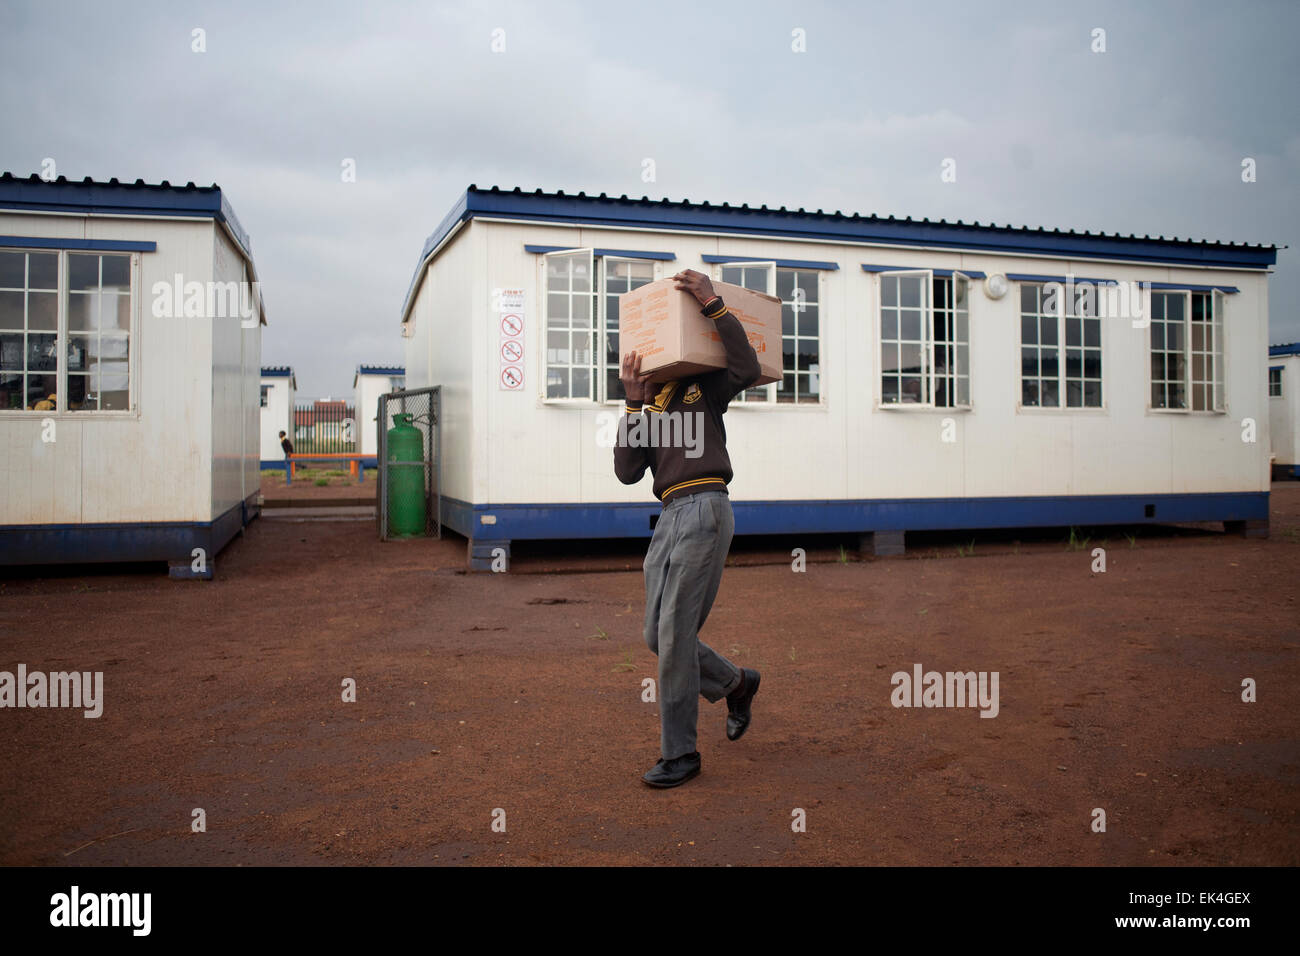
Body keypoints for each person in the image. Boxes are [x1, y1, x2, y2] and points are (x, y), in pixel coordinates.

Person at [614, 269, 763, 788]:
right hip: (669, 516)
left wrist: (711, 303)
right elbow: (628, 471)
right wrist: (632, 402)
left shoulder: (703, 385)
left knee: (676, 635)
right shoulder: (648, 407)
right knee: (657, 635)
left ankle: (681, 755)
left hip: (705, 507)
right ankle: (736, 683)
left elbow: (746, 366)